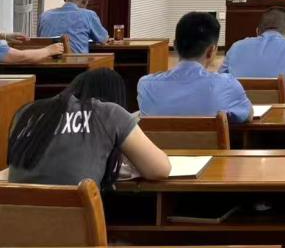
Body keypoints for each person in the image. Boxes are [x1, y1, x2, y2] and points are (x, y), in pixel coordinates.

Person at [7, 69, 171, 188]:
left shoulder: (27, 113)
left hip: (15, 222)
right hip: (74, 223)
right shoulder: (109, 112)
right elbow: (159, 169)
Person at [138, 12, 252, 123]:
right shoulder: (227, 84)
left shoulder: (146, 85)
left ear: (175, 46)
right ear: (211, 51)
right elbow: (248, 115)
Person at [38, 0, 109, 53]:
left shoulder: (45, 15)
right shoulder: (88, 15)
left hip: (47, 59)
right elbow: (103, 39)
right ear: (85, 0)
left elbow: (40, 39)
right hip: (75, 60)